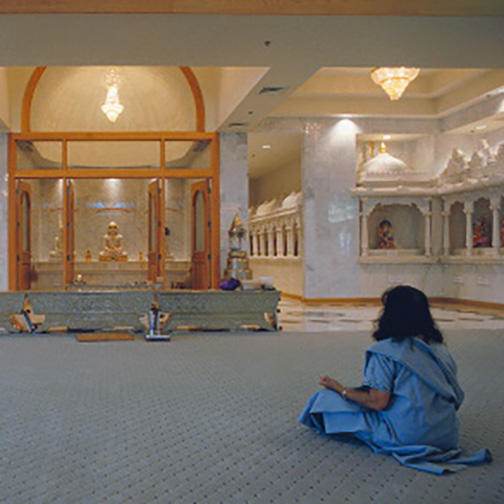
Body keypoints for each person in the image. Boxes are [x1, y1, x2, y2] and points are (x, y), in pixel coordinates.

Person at [298, 285, 491, 474]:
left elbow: (378, 402)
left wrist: (340, 389)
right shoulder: (440, 349)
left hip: (408, 436)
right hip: (448, 436)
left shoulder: (386, 352)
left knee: (323, 400)